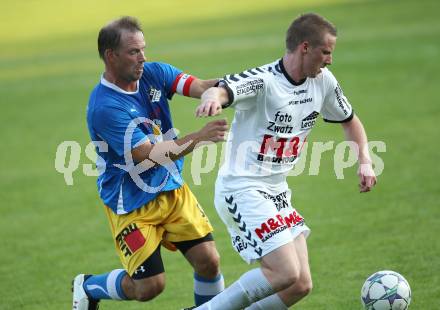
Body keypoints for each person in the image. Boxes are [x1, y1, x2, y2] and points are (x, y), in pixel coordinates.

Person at [192, 13, 377, 309]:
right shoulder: (263, 81)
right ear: (305, 47)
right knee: (285, 272)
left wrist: (364, 161)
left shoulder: (323, 82)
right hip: (242, 189)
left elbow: (349, 120)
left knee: (300, 283)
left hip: (277, 191)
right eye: (326, 52)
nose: (329, 60)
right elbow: (224, 87)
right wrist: (211, 98)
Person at [72, 16, 229, 310]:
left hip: (170, 189)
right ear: (111, 56)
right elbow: (149, 154)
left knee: (209, 262)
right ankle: (89, 287)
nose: (143, 57)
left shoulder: (154, 73)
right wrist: (201, 137)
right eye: (134, 52)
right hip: (132, 203)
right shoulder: (104, 107)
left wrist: (222, 91)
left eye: (143, 49)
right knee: (149, 287)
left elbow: (199, 85)